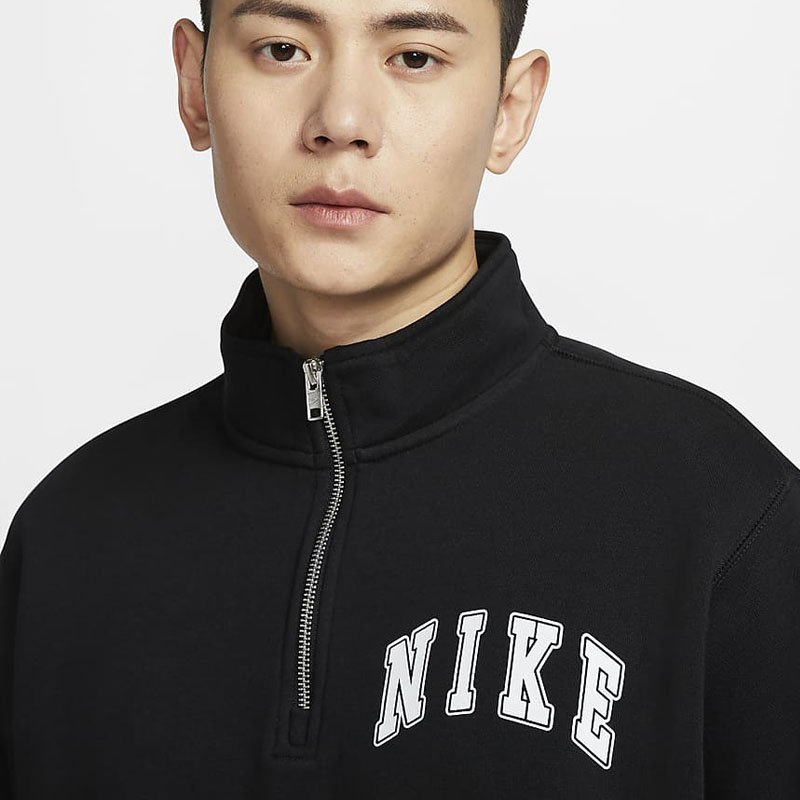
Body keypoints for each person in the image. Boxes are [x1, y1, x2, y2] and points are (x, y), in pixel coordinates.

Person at [1, 0, 797, 796]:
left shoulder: (722, 513)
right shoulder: (67, 539)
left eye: (415, 58)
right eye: (281, 49)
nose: (341, 122)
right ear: (194, 86)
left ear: (510, 110)